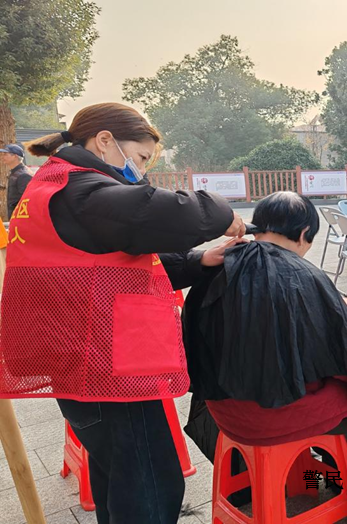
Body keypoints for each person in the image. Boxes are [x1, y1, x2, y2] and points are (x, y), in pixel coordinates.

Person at [0, 102, 245, 524]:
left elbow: (113, 261)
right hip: (104, 370)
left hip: (80, 359)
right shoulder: (82, 189)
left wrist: (198, 261)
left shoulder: (52, 186)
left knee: (118, 476)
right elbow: (159, 212)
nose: (142, 171)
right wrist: (221, 212)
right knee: (151, 487)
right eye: (141, 157)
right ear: (105, 141)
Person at [182, 192, 347, 524]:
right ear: (302, 235)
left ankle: (312, 478)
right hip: (269, 416)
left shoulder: (215, 264)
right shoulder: (304, 276)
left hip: (221, 410)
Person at [0, 143, 33, 218]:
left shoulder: (24, 175)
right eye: (1, 154)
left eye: (5, 154)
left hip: (21, 219)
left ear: (15, 156)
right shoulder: (16, 173)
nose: (2, 157)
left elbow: (28, 201)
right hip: (15, 217)